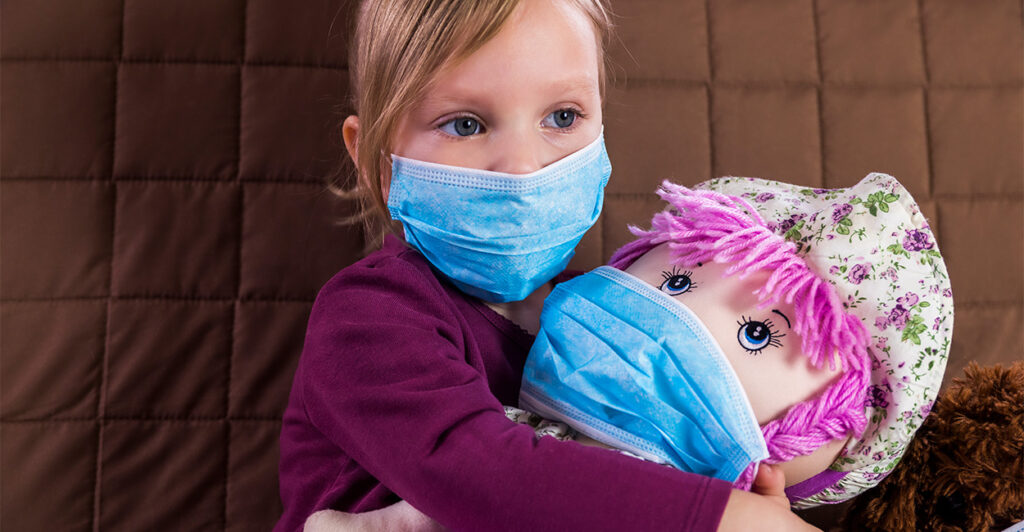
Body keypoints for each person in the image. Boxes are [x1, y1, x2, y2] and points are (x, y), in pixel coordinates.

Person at [274, 0, 819, 530]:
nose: (523, 168)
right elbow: (477, 470)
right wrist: (725, 518)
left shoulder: (607, 308)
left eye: (562, 116)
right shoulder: (366, 319)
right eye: (465, 124)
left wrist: (750, 485)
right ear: (377, 161)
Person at [307, 173, 954, 530]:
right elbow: (480, 471)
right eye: (676, 280)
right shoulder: (379, 304)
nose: (669, 322)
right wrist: (727, 520)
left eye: (759, 334)